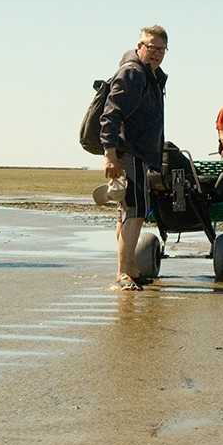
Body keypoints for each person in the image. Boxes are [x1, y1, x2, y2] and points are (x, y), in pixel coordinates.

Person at [98, 26, 170, 287]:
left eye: (161, 49)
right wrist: (110, 155)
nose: (156, 53)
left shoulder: (149, 75)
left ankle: (130, 267)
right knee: (135, 210)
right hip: (130, 152)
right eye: (151, 47)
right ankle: (123, 272)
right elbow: (111, 114)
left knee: (127, 211)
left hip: (137, 153)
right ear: (139, 45)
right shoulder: (133, 72)